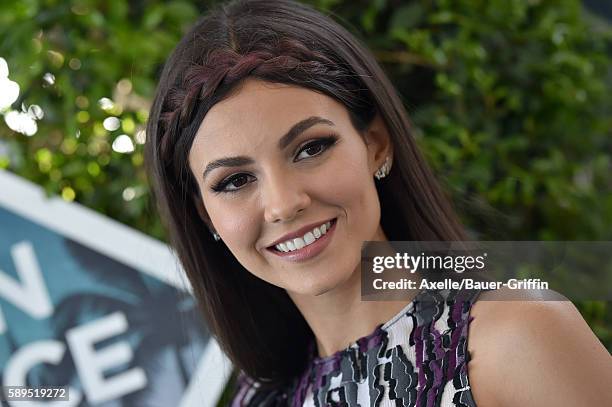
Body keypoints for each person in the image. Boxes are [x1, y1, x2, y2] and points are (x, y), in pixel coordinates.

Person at [144, 0, 612, 405]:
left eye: (311, 148)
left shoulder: (516, 333)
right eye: (236, 180)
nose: (284, 204)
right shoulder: (261, 396)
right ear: (207, 215)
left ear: (375, 145)